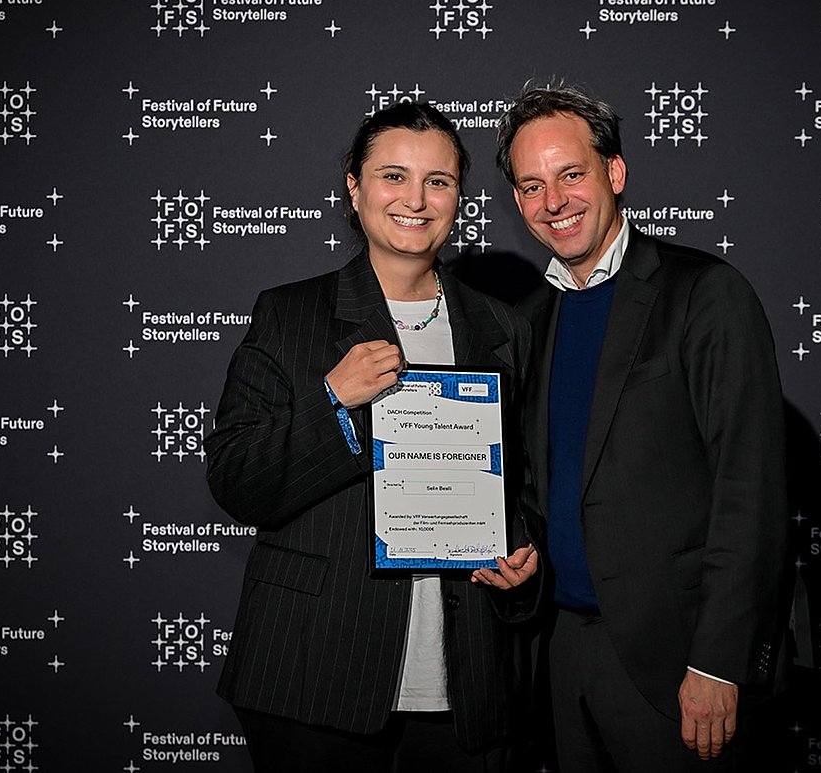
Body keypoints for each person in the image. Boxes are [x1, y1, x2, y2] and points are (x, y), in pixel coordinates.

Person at [206, 101, 538, 772]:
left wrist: (521, 549)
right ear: (354, 188)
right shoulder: (291, 315)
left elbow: (525, 483)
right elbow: (238, 482)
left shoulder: (502, 327)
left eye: (438, 181)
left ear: (458, 198)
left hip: (464, 684)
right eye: (393, 176)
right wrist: (334, 400)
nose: (415, 199)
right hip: (312, 674)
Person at [495, 83, 791, 771]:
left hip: (678, 663)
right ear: (518, 201)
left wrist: (719, 662)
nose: (555, 201)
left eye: (572, 174)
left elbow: (750, 489)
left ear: (615, 171)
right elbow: (543, 483)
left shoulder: (704, 293)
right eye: (533, 186)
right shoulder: (530, 321)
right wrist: (513, 546)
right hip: (563, 656)